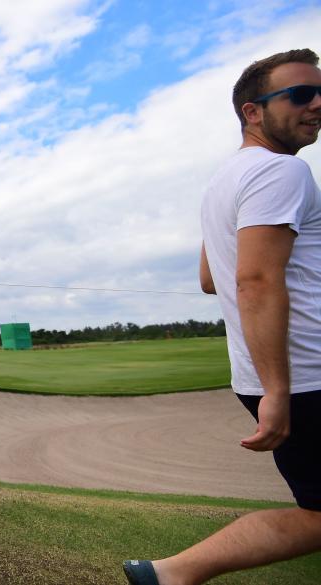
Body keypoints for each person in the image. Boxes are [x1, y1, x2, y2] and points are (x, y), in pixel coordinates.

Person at [124, 49, 321, 585]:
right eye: (301, 94)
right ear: (252, 112)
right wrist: (277, 390)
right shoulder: (284, 171)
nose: (316, 104)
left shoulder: (223, 181)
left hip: (276, 375)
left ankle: (171, 575)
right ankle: (174, 573)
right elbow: (254, 280)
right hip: (306, 376)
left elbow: (211, 277)